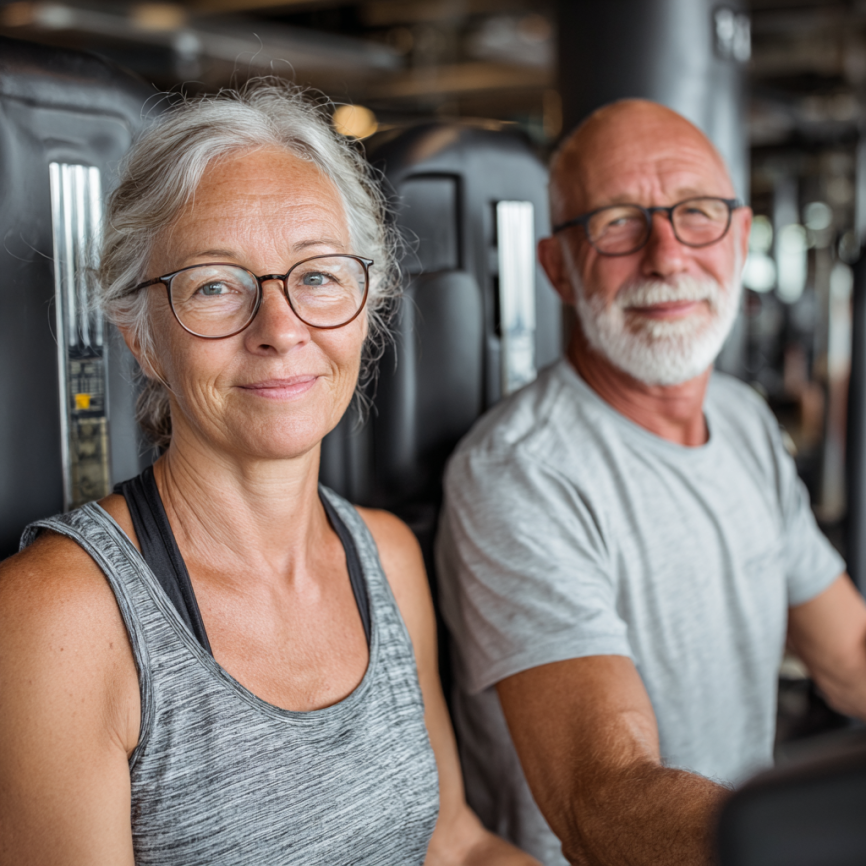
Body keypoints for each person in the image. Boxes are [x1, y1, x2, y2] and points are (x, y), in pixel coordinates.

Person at [0, 81, 539, 866]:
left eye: (317, 276)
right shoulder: (58, 615)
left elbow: (452, 845)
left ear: (366, 305)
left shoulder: (386, 556)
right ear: (142, 337)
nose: (281, 330)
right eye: (216, 286)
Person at [436, 99, 866, 866]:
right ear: (558, 269)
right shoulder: (520, 472)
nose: (667, 257)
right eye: (617, 223)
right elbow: (604, 800)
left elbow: (850, 653)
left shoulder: (741, 418)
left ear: (739, 237)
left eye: (697, 213)